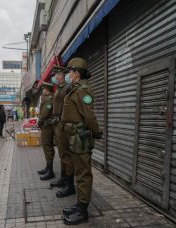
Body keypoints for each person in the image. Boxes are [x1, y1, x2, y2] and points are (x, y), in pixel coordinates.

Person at [60, 58, 102, 225]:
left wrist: (97, 132)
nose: (67, 74)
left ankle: (83, 211)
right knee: (78, 171)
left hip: (79, 137)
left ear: (76, 73)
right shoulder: (73, 90)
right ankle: (79, 204)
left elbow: (89, 116)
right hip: (71, 136)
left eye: (69, 71)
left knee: (83, 173)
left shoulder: (83, 92)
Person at [49, 65, 75, 198]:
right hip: (57, 123)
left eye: (55, 75)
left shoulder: (67, 87)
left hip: (63, 124)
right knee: (62, 154)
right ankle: (64, 179)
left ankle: (70, 185)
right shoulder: (59, 87)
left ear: (61, 75)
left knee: (66, 155)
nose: (53, 77)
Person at [37, 82, 55, 180]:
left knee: (47, 146)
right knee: (47, 146)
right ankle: (48, 167)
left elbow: (45, 113)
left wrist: (39, 122)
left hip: (47, 126)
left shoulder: (49, 98)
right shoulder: (47, 98)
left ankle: (50, 170)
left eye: (43, 88)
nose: (42, 90)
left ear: (47, 89)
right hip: (46, 125)